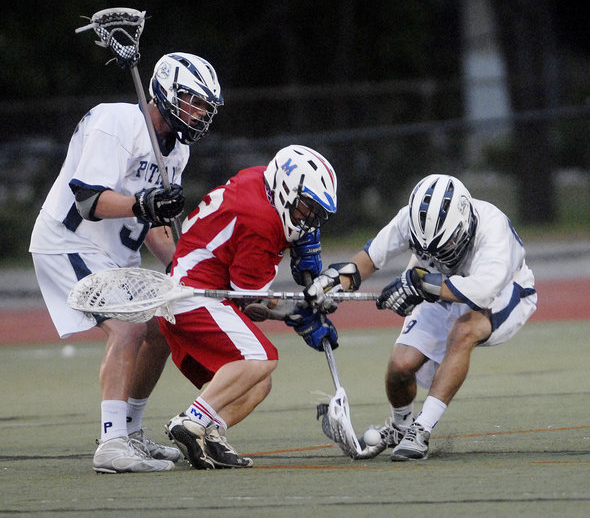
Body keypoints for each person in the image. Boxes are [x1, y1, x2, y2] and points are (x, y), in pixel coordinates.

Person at [29, 52, 224, 473]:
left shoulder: (175, 153)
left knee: (160, 326)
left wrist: (191, 273)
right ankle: (112, 443)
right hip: (68, 242)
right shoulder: (117, 122)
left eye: (204, 107)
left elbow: (154, 228)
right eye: (191, 101)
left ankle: (131, 433)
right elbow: (88, 201)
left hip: (114, 257)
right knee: (129, 325)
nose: (198, 113)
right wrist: (144, 202)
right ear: (165, 92)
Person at [305, 173, 537, 461]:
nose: (435, 253)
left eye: (444, 246)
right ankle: (401, 428)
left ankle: (421, 430)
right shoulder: (410, 220)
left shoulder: (493, 229)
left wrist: (420, 285)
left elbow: (482, 291)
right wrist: (332, 284)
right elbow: (367, 261)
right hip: (437, 283)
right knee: (400, 366)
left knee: (464, 332)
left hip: (504, 290)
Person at [160, 144, 340, 470]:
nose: (309, 218)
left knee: (259, 382)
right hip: (195, 296)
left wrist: (296, 241)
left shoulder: (261, 180)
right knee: (260, 358)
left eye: (315, 212)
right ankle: (191, 421)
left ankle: (211, 434)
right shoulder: (261, 220)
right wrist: (299, 316)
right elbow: (250, 300)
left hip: (193, 293)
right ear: (286, 191)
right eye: (306, 207)